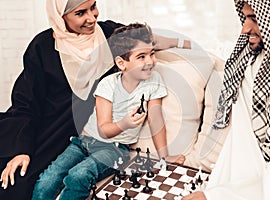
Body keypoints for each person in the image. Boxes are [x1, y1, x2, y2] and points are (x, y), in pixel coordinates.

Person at [0, 0, 190, 199]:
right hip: (50, 131)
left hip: (98, 134)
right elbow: (25, 103)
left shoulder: (109, 34)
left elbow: (148, 41)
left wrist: (184, 43)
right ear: (60, 16)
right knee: (17, 184)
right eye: (80, 13)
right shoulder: (42, 47)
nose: (91, 18)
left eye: (93, 7)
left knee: (77, 176)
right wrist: (21, 149)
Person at [183, 0, 270, 199]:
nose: (245, 29)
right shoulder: (249, 62)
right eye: (244, 17)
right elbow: (243, 145)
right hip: (233, 183)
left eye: (254, 18)